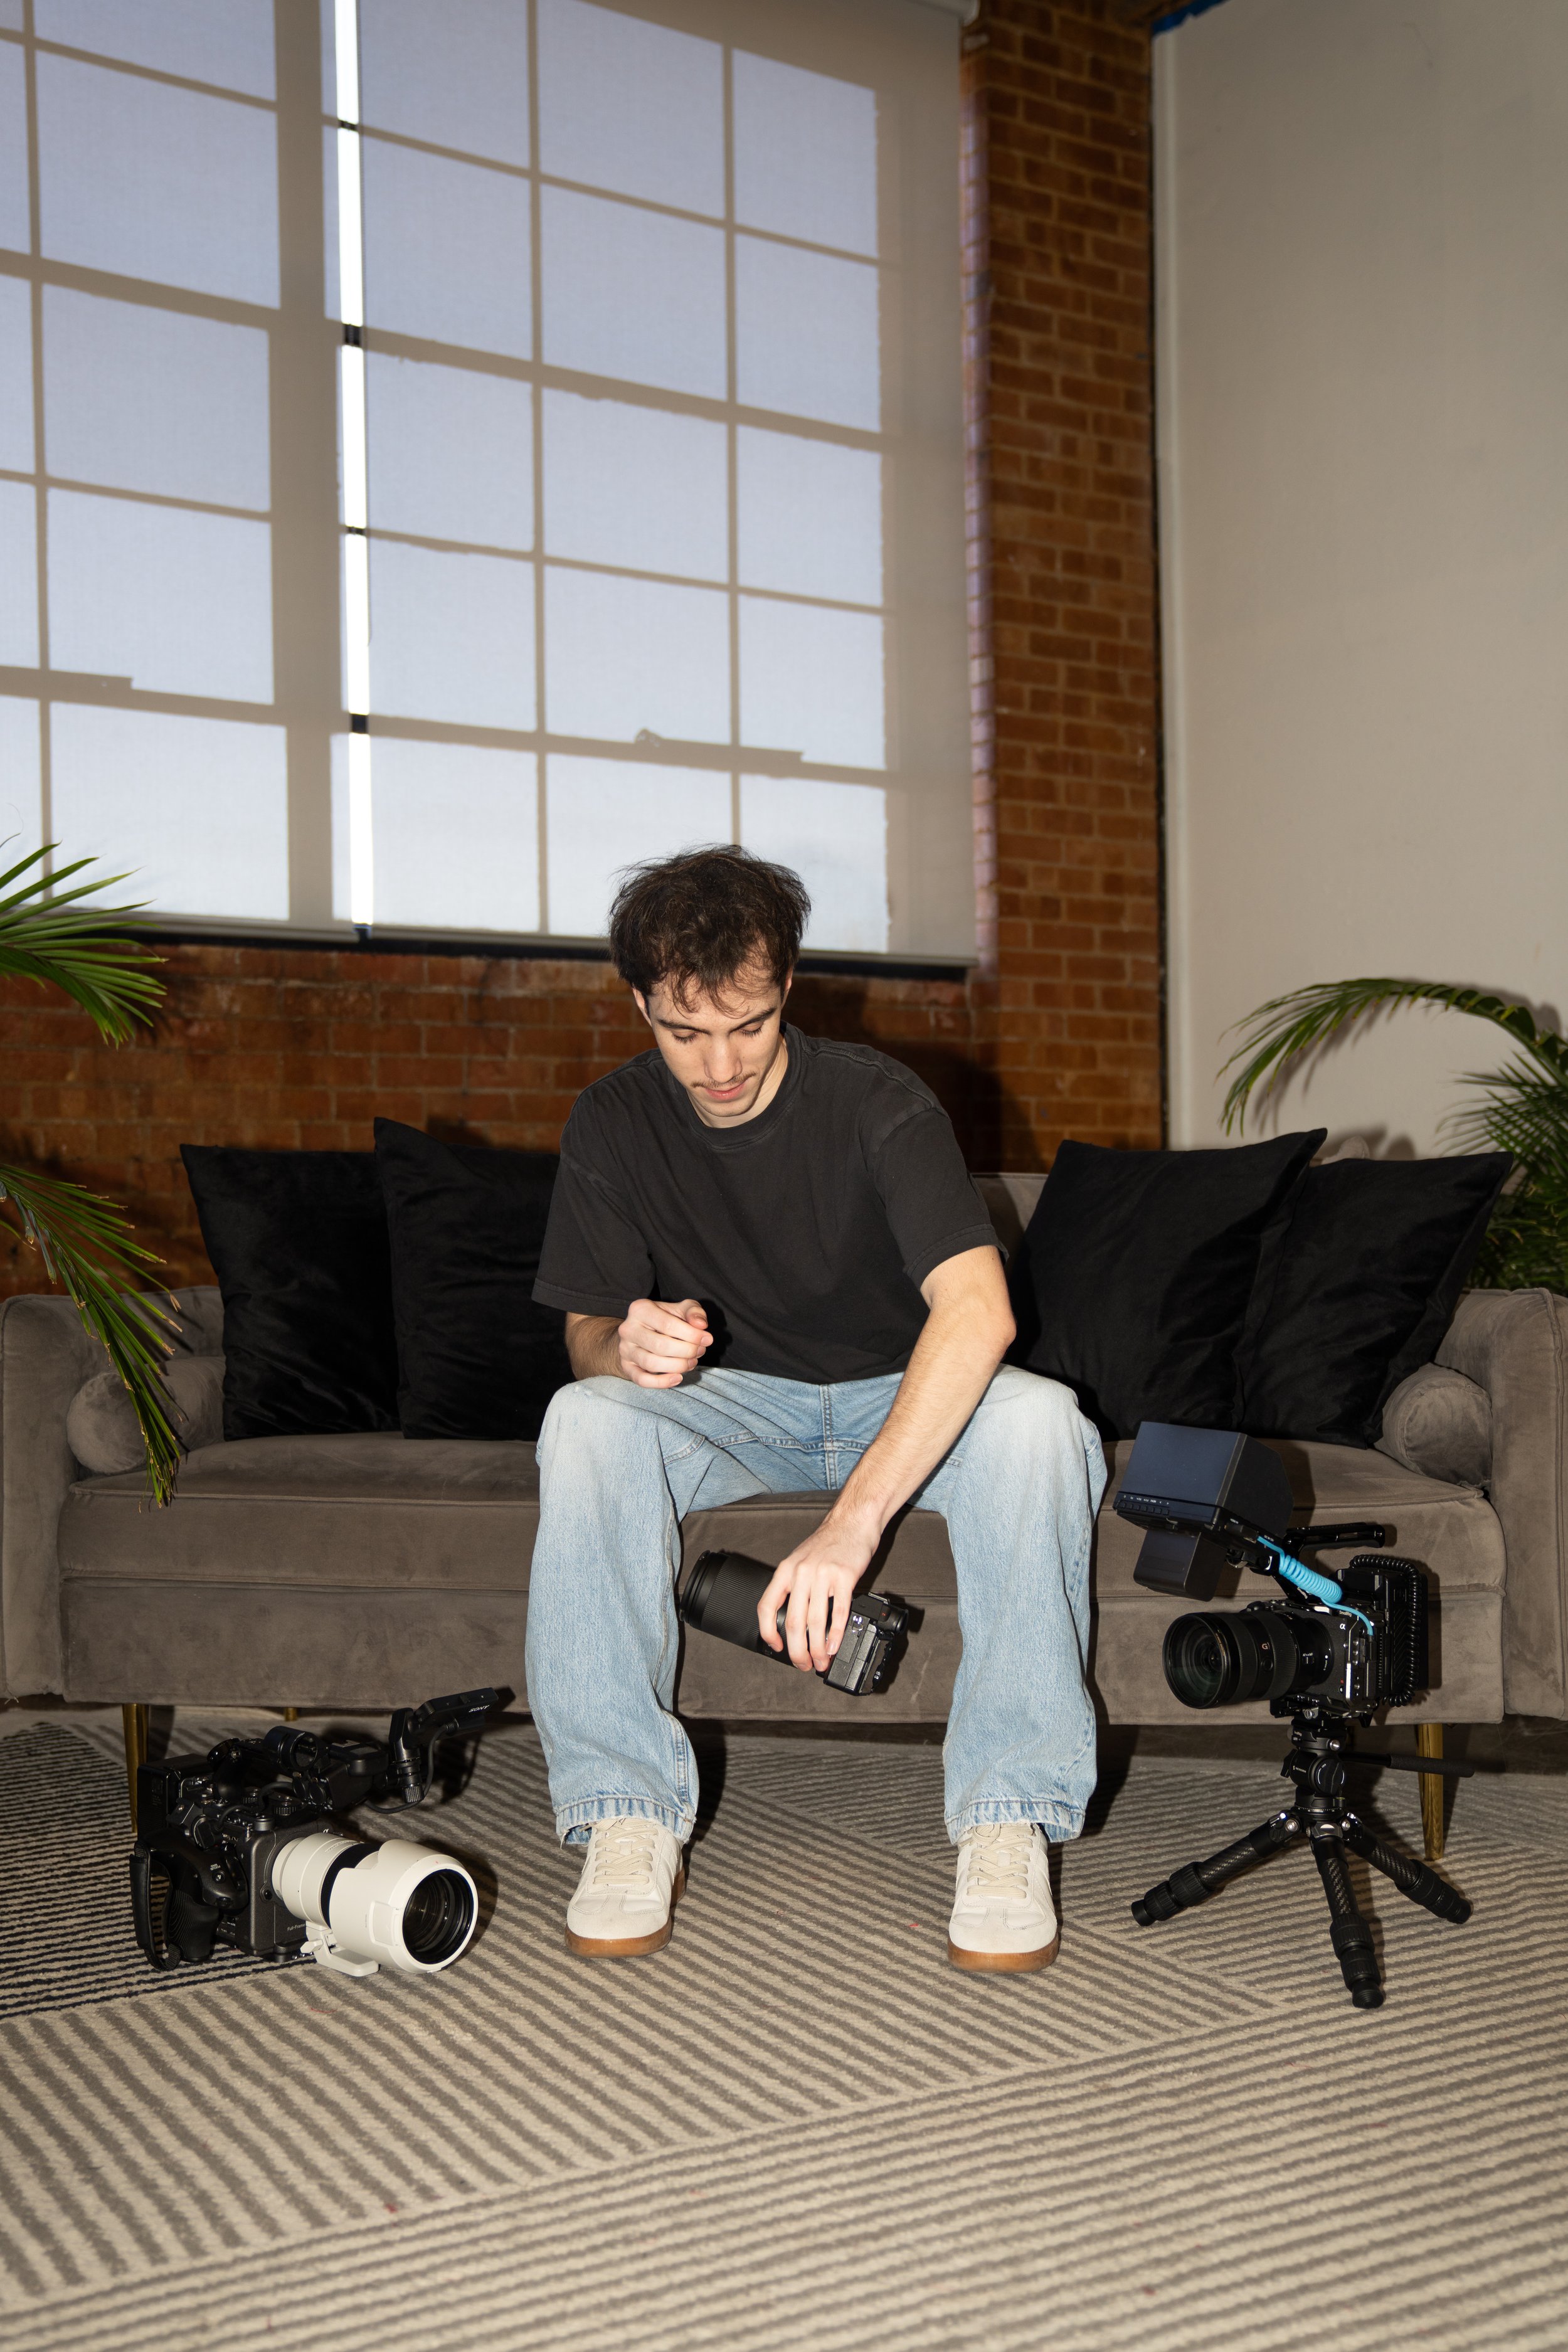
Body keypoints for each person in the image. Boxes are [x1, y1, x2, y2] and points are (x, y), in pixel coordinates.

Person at [527, 847, 1106, 1972]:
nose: (721, 1064)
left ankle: (1008, 1818)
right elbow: (585, 1336)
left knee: (1041, 1422)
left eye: (748, 1024)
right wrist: (621, 1344)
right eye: (685, 1032)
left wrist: (851, 1527)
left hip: (904, 1391)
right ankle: (625, 1811)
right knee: (583, 1418)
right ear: (639, 1004)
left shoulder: (879, 1101)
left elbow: (978, 1311)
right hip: (733, 1402)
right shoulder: (611, 1121)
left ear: (788, 984)